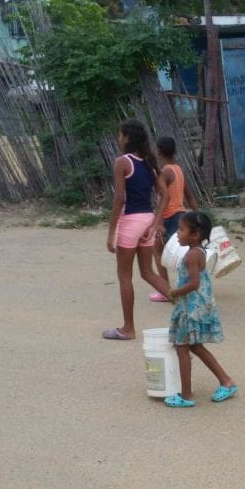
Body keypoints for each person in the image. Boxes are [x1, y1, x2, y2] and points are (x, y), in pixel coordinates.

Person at [103, 119, 170, 341]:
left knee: (124, 277)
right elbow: (165, 195)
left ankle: (128, 329)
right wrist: (157, 222)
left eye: (120, 135)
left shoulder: (122, 162)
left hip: (130, 222)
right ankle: (188, 306)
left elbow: (119, 198)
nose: (118, 138)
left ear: (127, 138)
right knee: (148, 272)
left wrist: (111, 231)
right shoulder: (149, 162)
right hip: (147, 220)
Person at [163, 212, 238, 408]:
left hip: (191, 309)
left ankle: (186, 395)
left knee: (182, 347)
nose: (177, 234)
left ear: (195, 235)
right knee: (195, 347)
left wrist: (174, 292)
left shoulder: (191, 256)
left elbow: (194, 283)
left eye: (181, 230)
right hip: (195, 306)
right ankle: (226, 381)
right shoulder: (199, 252)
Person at [149, 136, 199, 303]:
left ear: (159, 152)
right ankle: (187, 285)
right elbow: (189, 195)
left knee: (158, 251)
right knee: (182, 253)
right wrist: (199, 216)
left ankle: (165, 290)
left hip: (169, 216)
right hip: (181, 215)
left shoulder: (165, 172)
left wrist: (159, 221)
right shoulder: (178, 169)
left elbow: (164, 198)